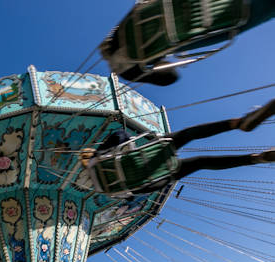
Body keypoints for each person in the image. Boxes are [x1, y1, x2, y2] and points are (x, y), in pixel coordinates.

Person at [81, 99, 275, 196]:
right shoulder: (97, 160)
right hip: (148, 156)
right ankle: (237, 123)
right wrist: (105, 150)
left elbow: (137, 192)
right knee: (187, 135)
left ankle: (255, 158)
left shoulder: (105, 191)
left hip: (155, 176)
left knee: (201, 162)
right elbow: (120, 136)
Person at [100, 0, 275, 86]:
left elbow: (171, 77)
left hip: (211, 20)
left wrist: (165, 63)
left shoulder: (131, 64)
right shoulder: (127, 25)